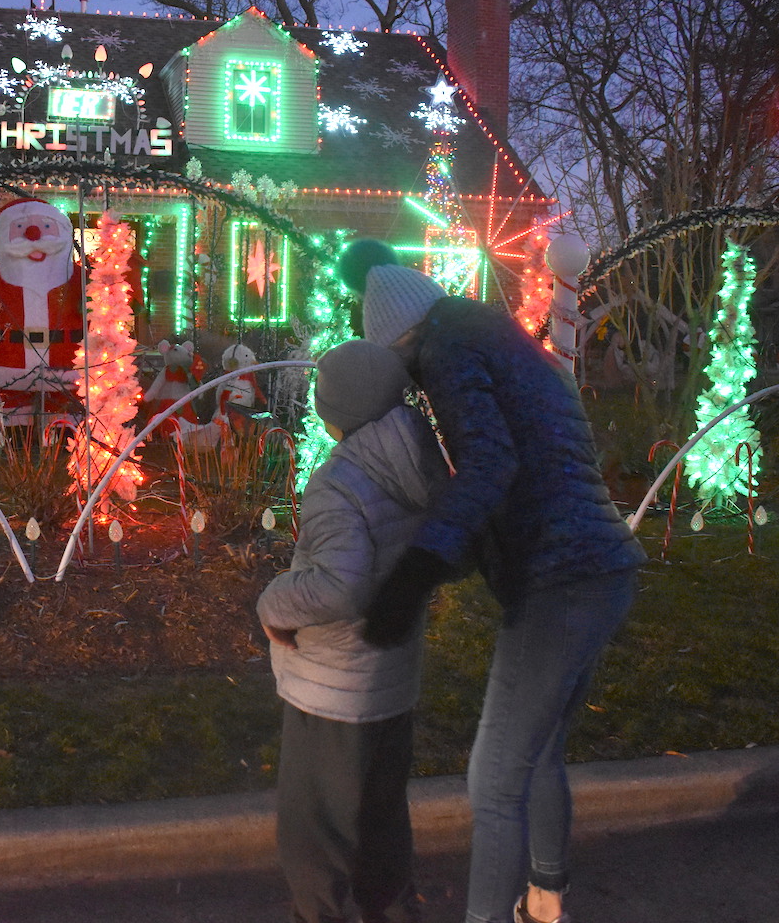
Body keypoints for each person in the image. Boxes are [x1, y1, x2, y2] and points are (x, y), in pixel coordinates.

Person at [341, 240, 646, 923]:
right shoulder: (495, 337)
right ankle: (544, 902)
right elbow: (529, 464)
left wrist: (417, 570)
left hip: (560, 578)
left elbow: (489, 464)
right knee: (538, 755)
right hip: (600, 566)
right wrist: (452, 556)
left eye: (402, 367)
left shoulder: (447, 348)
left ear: (403, 338)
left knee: (495, 778)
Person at [257, 339, 450, 923]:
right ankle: (391, 910)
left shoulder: (341, 483)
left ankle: (321, 915)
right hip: (391, 678)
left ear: (329, 407)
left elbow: (340, 586)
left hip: (332, 687)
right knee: (382, 814)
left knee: (317, 829)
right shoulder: (417, 459)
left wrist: (273, 603)